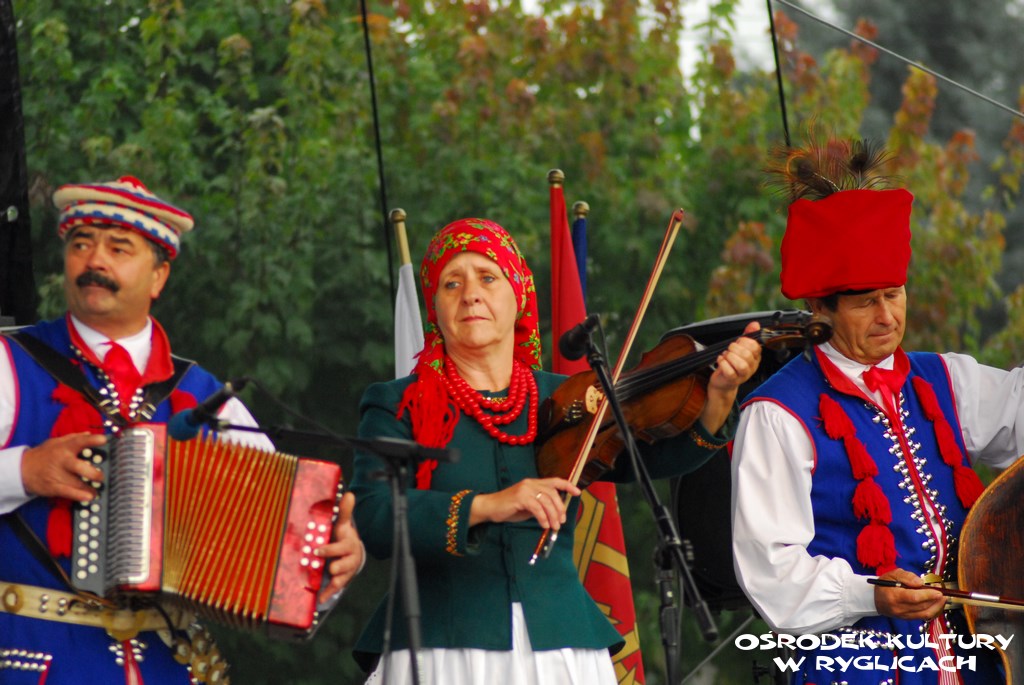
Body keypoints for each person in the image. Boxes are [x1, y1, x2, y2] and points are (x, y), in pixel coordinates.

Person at [348, 217, 762, 684]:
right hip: (441, 644)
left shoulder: (569, 397)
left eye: (488, 277)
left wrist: (719, 397)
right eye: (452, 283)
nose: (470, 295)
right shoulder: (396, 403)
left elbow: (655, 460)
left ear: (519, 295)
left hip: (560, 644)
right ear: (434, 306)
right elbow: (374, 516)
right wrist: (488, 506)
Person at [0, 176, 364, 684]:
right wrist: (24, 470)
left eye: (118, 248)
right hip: (36, 660)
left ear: (159, 276)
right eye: (80, 244)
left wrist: (332, 562)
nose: (94, 260)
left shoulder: (209, 397)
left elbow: (284, 554)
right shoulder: (10, 362)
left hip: (167, 667)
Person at [731, 138, 1020, 684]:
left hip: (974, 659)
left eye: (895, 294)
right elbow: (771, 571)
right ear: (820, 308)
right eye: (866, 302)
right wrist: (870, 594)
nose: (887, 316)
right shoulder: (777, 415)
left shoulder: (947, 379)